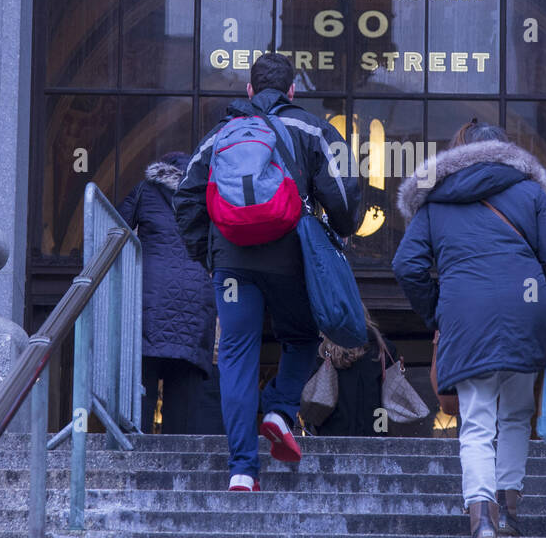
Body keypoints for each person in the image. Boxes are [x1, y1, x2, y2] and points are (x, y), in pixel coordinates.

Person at [174, 52, 361, 492]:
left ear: (249, 90)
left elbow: (185, 198)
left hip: (233, 259)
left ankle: (242, 470)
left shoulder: (221, 134)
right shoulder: (313, 128)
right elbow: (345, 193)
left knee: (237, 356)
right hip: (290, 255)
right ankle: (278, 410)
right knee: (301, 338)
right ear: (293, 90)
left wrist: (211, 256)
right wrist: (340, 228)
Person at [392, 119, 546, 538]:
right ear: (506, 151)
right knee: (515, 414)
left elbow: (406, 266)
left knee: (475, 422)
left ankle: (482, 521)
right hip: (524, 311)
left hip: (466, 316)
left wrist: (438, 308)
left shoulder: (435, 202)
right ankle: (509, 510)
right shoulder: (529, 192)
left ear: (458, 152)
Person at [117, 151, 222, 435]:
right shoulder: (208, 197)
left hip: (148, 303)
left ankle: (132, 454)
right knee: (182, 410)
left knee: (141, 392)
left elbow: (115, 232)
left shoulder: (144, 191)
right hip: (195, 305)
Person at [315, 313, 392, 437]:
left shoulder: (321, 353)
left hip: (332, 429)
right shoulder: (382, 349)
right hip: (376, 426)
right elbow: (386, 395)